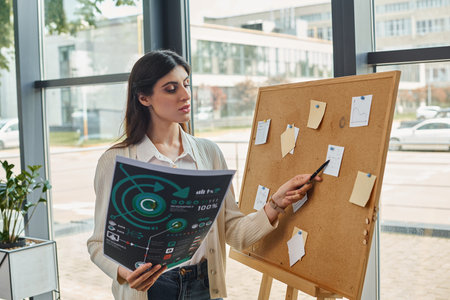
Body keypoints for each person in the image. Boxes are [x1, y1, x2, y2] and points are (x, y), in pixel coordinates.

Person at [87, 49, 322, 300]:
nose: (185, 95)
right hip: (151, 290)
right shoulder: (115, 161)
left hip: (204, 285)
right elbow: (98, 244)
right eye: (171, 88)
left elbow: (234, 232)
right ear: (144, 98)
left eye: (186, 85)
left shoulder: (209, 153)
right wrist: (123, 272)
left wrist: (277, 202)